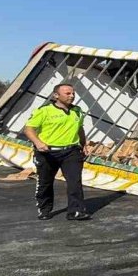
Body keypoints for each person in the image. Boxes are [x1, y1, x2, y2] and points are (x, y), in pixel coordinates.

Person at [23, 82, 90, 220]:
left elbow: (80, 129)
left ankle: (75, 211)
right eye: (67, 93)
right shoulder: (44, 111)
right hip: (47, 152)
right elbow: (28, 129)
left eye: (73, 93)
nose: (72, 96)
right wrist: (38, 142)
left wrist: (83, 144)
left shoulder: (77, 111)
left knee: (74, 181)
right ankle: (44, 209)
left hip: (71, 151)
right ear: (56, 95)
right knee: (45, 182)